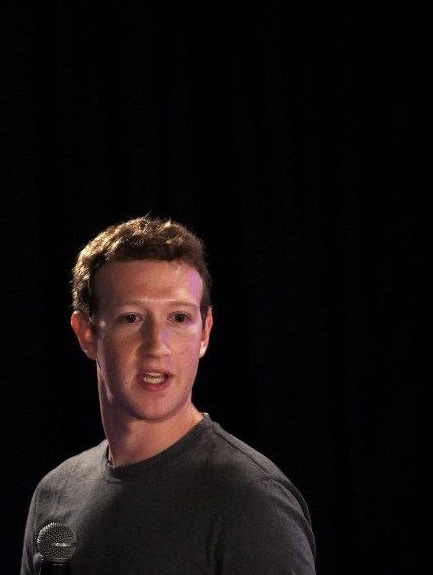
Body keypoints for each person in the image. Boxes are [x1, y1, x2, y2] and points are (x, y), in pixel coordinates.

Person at [20, 215, 316, 574]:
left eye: (178, 318)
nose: (156, 346)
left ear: (204, 332)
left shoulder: (250, 500)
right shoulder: (56, 493)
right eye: (131, 318)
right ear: (87, 334)